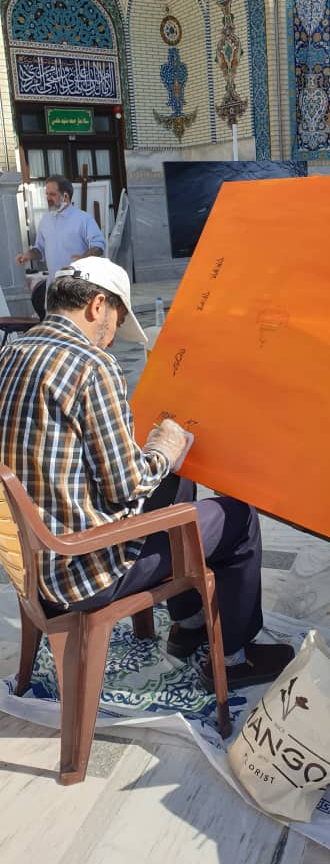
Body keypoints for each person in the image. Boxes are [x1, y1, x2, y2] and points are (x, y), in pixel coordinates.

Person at [0, 256, 293, 691]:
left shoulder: (11, 352)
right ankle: (235, 658)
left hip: (34, 563)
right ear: (97, 305)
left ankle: (188, 626)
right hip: (82, 572)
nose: (112, 338)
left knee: (179, 482)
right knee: (239, 518)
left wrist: (162, 464)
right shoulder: (91, 365)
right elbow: (126, 487)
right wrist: (162, 450)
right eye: (117, 323)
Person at [16, 175, 105, 319]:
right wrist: (28, 255)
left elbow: (99, 246)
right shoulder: (45, 220)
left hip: (77, 284)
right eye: (46, 194)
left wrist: (83, 258)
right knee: (54, 327)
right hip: (53, 286)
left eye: (52, 194)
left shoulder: (83, 219)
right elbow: (39, 249)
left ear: (65, 196)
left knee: (77, 326)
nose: (48, 198)